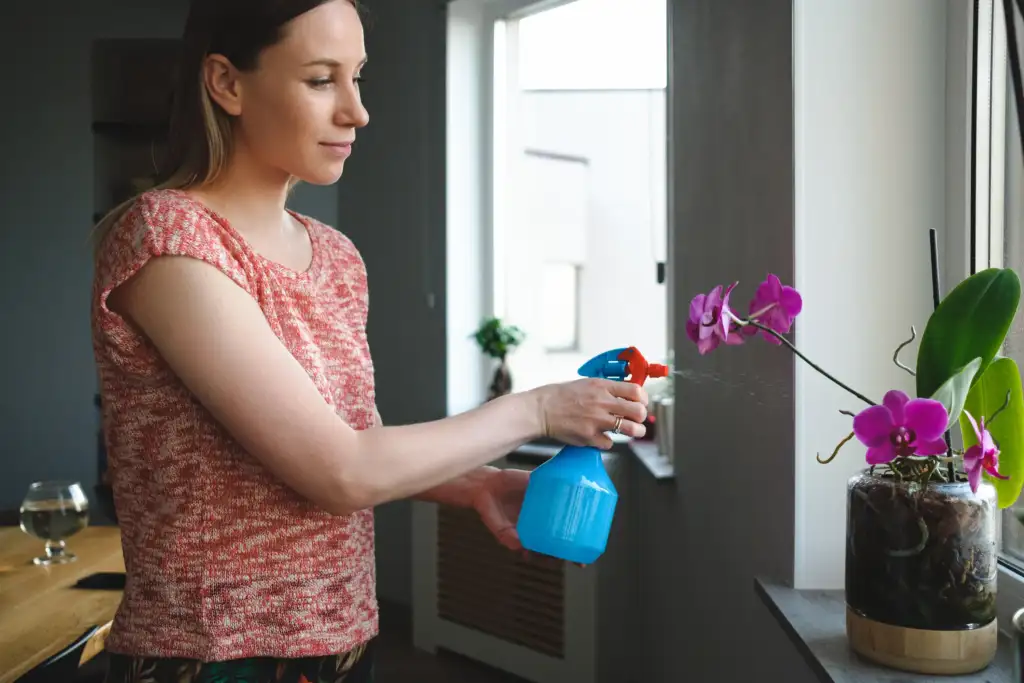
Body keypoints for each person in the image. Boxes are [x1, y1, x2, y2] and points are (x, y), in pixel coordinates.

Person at [90, 1, 649, 681]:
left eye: (358, 78)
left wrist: (471, 484)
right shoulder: (167, 238)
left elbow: (358, 438)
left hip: (345, 637)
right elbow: (340, 472)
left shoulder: (336, 257)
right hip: (211, 654)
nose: (357, 112)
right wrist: (535, 410)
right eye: (322, 79)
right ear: (227, 83)